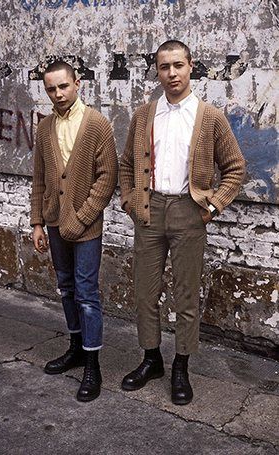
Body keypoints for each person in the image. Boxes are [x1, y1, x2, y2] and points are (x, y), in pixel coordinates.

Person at [119, 40, 245, 405]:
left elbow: (235, 169)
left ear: (191, 66)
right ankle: (151, 359)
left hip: (191, 211)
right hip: (150, 209)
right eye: (163, 67)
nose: (171, 73)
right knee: (145, 292)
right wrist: (130, 201)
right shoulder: (144, 115)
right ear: (156, 71)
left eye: (177, 65)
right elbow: (127, 165)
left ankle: (181, 366)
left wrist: (214, 205)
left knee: (186, 296)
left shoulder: (210, 116)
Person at [30, 60, 118, 402]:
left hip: (86, 225)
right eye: (51, 89)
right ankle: (75, 347)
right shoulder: (44, 127)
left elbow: (106, 180)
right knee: (65, 288)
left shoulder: (97, 124)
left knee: (86, 293)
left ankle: (92, 362)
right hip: (53, 221)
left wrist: (80, 219)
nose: (57, 94)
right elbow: (39, 179)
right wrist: (38, 222)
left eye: (63, 86)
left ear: (77, 83)